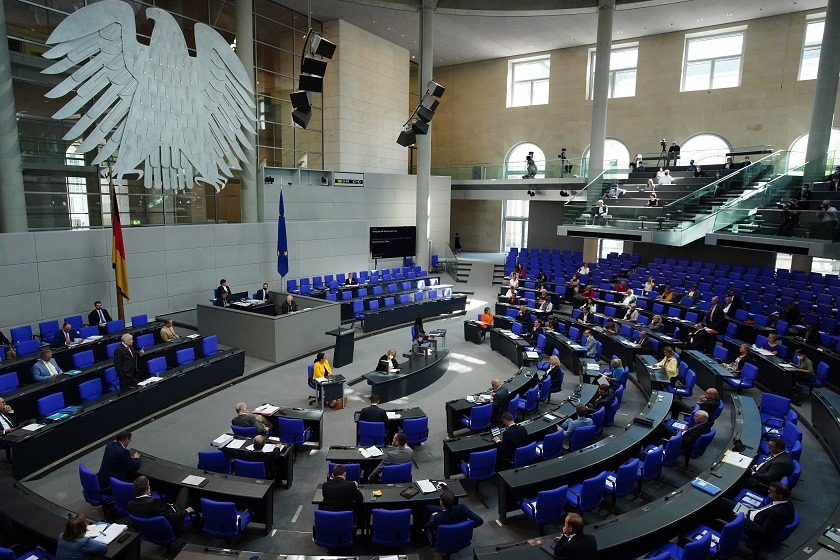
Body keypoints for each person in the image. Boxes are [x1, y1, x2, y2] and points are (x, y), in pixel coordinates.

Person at [128, 475, 195, 532]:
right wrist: (187, 510)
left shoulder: (130, 505)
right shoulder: (154, 503)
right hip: (170, 525)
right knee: (185, 490)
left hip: (149, 530)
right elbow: (172, 517)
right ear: (148, 489)